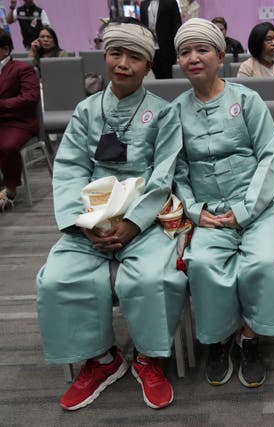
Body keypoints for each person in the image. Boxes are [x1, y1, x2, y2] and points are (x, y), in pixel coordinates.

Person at [35, 19, 187, 411]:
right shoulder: (86, 111)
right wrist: (86, 226)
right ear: (104, 56)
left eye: (135, 57)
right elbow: (69, 170)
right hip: (90, 222)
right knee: (57, 279)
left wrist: (132, 223)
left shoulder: (164, 114)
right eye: (115, 53)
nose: (123, 63)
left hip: (144, 221)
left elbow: (163, 175)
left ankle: (149, 358)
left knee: (155, 276)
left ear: (148, 64)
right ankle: (102, 360)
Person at [171, 18, 274, 389]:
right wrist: (195, 211)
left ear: (220, 53)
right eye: (185, 52)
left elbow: (267, 157)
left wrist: (245, 210)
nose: (194, 58)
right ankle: (219, 337)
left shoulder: (247, 100)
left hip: (255, 207)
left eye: (202, 49)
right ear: (178, 60)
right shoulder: (175, 110)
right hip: (208, 213)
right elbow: (177, 170)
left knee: (265, 261)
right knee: (204, 261)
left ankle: (248, 336)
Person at [0, 28, 40, 211]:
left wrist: (3, 104)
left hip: (19, 122)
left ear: (5, 50)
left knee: (7, 146)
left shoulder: (22, 69)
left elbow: (31, 97)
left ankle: (10, 189)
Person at [140, 0, 182, 79]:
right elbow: (143, 26)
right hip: (151, 47)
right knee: (153, 74)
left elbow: (177, 25)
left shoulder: (170, 3)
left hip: (167, 47)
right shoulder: (144, 4)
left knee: (167, 74)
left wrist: (177, 49)